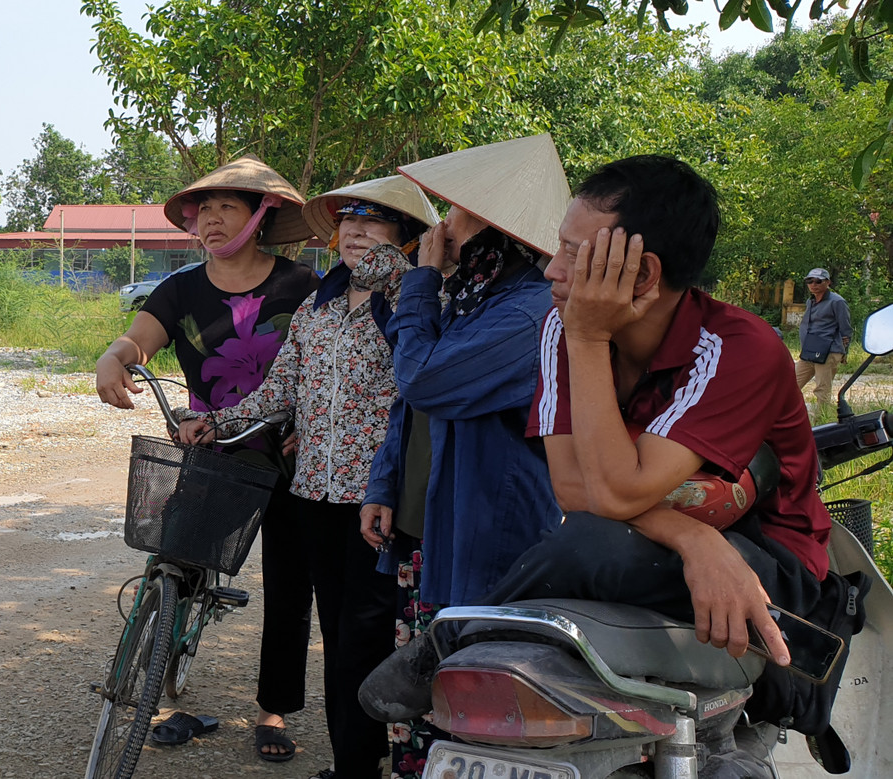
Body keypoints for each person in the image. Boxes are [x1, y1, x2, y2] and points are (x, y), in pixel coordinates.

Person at [362, 156, 830, 762]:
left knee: (586, 546)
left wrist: (587, 336)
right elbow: (575, 491)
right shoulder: (562, 327)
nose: (552, 270)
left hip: (763, 557)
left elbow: (609, 496)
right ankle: (459, 640)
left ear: (643, 274)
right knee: (581, 541)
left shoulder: (737, 349)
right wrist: (694, 540)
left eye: (574, 255)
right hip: (656, 542)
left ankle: (448, 638)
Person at [173, 174, 440, 779]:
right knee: (337, 630)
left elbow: (423, 384)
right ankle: (354, 758)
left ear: (405, 238)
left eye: (374, 222)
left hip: (381, 499)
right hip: (314, 491)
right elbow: (283, 388)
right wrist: (216, 422)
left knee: (371, 634)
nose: (356, 232)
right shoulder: (318, 308)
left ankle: (361, 762)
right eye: (349, 220)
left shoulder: (417, 302)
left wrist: (407, 277)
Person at [95, 154, 319, 763]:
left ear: (261, 215)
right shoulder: (182, 288)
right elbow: (138, 337)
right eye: (204, 209)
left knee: (290, 584)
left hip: (290, 453)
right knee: (177, 558)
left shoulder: (302, 287)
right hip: (212, 447)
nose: (211, 220)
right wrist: (111, 358)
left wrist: (316, 423)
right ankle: (152, 679)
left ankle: (273, 709)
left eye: (228, 207)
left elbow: (328, 366)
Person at [357, 135, 569, 771]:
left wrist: (421, 280)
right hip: (431, 530)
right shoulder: (474, 300)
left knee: (475, 709)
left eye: (456, 214)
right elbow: (411, 405)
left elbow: (423, 379)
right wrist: (384, 484)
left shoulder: (528, 313)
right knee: (428, 704)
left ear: (495, 230)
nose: (441, 227)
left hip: (486, 544)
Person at [795, 268, 852, 408]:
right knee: (791, 383)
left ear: (828, 283)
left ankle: (820, 422)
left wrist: (844, 351)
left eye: (818, 281)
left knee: (822, 389)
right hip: (809, 350)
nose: (813, 284)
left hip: (829, 350)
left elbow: (846, 329)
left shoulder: (837, 302)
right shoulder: (811, 301)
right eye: (810, 281)